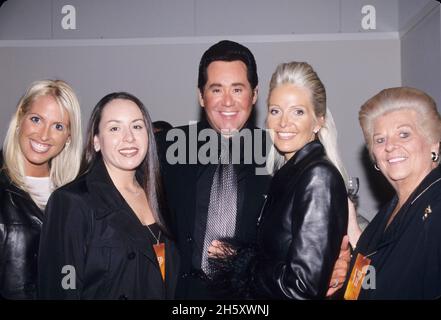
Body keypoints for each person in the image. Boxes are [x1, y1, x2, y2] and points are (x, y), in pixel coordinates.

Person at [157, 40, 350, 299]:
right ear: (201, 96)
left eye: (238, 89)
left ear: (255, 95)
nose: (227, 102)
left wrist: (336, 261)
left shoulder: (281, 151)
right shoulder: (167, 148)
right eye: (216, 89)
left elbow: (319, 226)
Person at [208, 61, 348, 299]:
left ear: (318, 121)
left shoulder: (317, 176)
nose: (283, 123)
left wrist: (240, 260)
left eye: (298, 112)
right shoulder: (287, 173)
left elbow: (302, 288)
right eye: (275, 111)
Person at [38, 92, 179, 299]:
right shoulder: (72, 201)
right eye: (114, 128)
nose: (129, 137)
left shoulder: (163, 195)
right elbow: (61, 289)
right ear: (96, 141)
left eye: (137, 126)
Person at [344, 87, 441, 300]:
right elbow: (357, 289)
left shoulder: (436, 206)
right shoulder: (387, 213)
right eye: (380, 140)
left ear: (434, 143)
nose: (390, 147)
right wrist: (354, 234)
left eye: (404, 134)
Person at [0, 79, 82, 299]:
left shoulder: (78, 196)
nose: (44, 135)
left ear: (68, 137)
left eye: (58, 126)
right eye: (36, 119)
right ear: (20, 119)